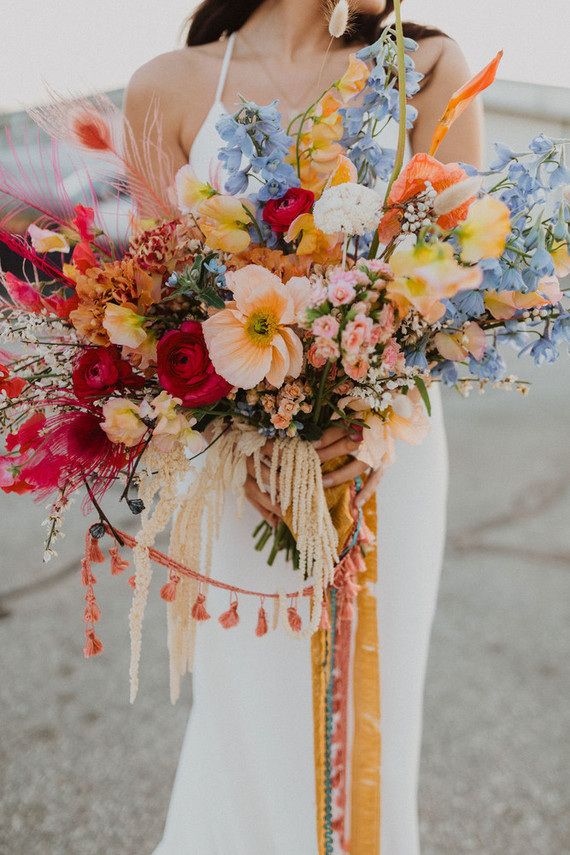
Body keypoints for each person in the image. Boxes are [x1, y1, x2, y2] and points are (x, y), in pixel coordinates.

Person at [124, 2, 483, 853]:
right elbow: (153, 310)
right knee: (248, 721)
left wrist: (358, 415)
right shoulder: (165, 86)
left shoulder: (428, 66)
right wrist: (247, 439)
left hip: (386, 452)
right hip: (232, 460)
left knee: (374, 726)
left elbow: (459, 275)